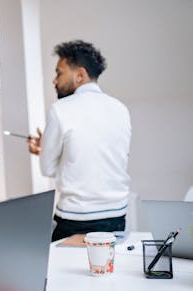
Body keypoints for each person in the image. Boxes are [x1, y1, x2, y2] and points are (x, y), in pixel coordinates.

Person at [28, 40, 131, 242]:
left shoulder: (61, 109)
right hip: (116, 216)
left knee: (59, 272)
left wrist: (45, 148)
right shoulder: (121, 109)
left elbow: (47, 169)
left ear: (80, 75)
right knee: (104, 272)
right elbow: (98, 156)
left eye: (59, 73)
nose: (54, 80)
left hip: (75, 219)